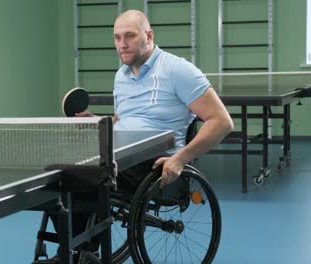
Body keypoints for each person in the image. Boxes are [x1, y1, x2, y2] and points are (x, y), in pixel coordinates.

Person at [45, 9, 234, 263]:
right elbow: (123, 120)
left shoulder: (178, 70)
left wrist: (180, 159)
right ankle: (78, 251)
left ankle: (76, 253)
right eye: (117, 37)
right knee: (56, 170)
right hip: (119, 154)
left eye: (130, 36)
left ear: (149, 35)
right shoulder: (121, 76)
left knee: (80, 174)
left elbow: (222, 122)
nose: (122, 44)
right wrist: (98, 122)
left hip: (153, 163)